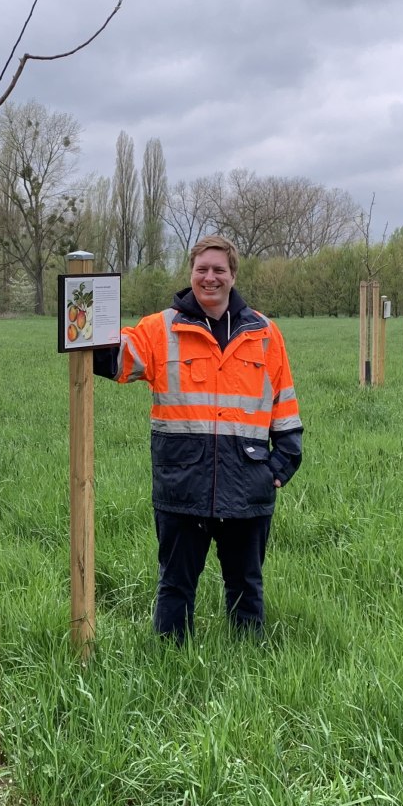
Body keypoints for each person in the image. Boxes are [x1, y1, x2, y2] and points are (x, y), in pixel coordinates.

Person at [95, 234, 302, 642]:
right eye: (202, 269)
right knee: (175, 588)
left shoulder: (265, 333)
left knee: (246, 588)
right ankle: (171, 668)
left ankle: (248, 669)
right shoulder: (161, 329)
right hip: (182, 483)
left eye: (218, 270)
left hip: (247, 485)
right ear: (190, 273)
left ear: (233, 275)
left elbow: (284, 404)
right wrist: (85, 313)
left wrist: (280, 466)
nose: (210, 278)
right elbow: (114, 359)